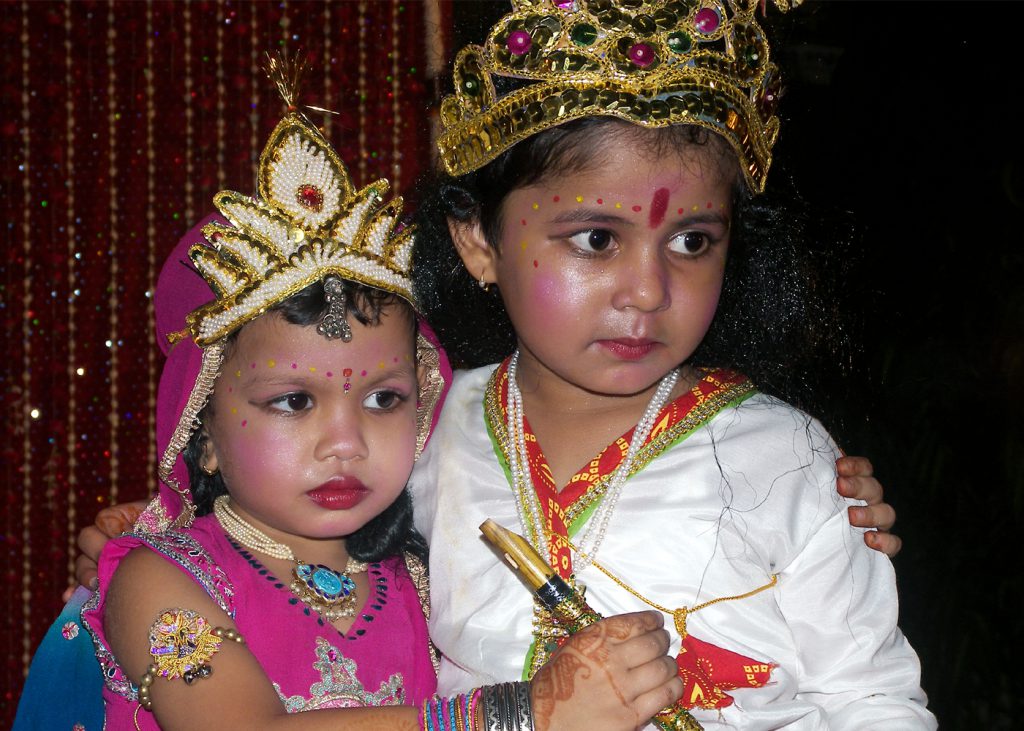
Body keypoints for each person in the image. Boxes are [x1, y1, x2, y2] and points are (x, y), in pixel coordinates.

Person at [70, 78, 681, 731]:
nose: (346, 441)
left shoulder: (416, 579)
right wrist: (526, 713)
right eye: (295, 399)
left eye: (384, 397)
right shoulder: (156, 577)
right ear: (205, 427)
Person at [406, 0, 936, 727]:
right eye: (595, 239)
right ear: (476, 241)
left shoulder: (785, 458)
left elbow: (871, 698)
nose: (649, 290)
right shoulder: (420, 429)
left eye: (691, 242)